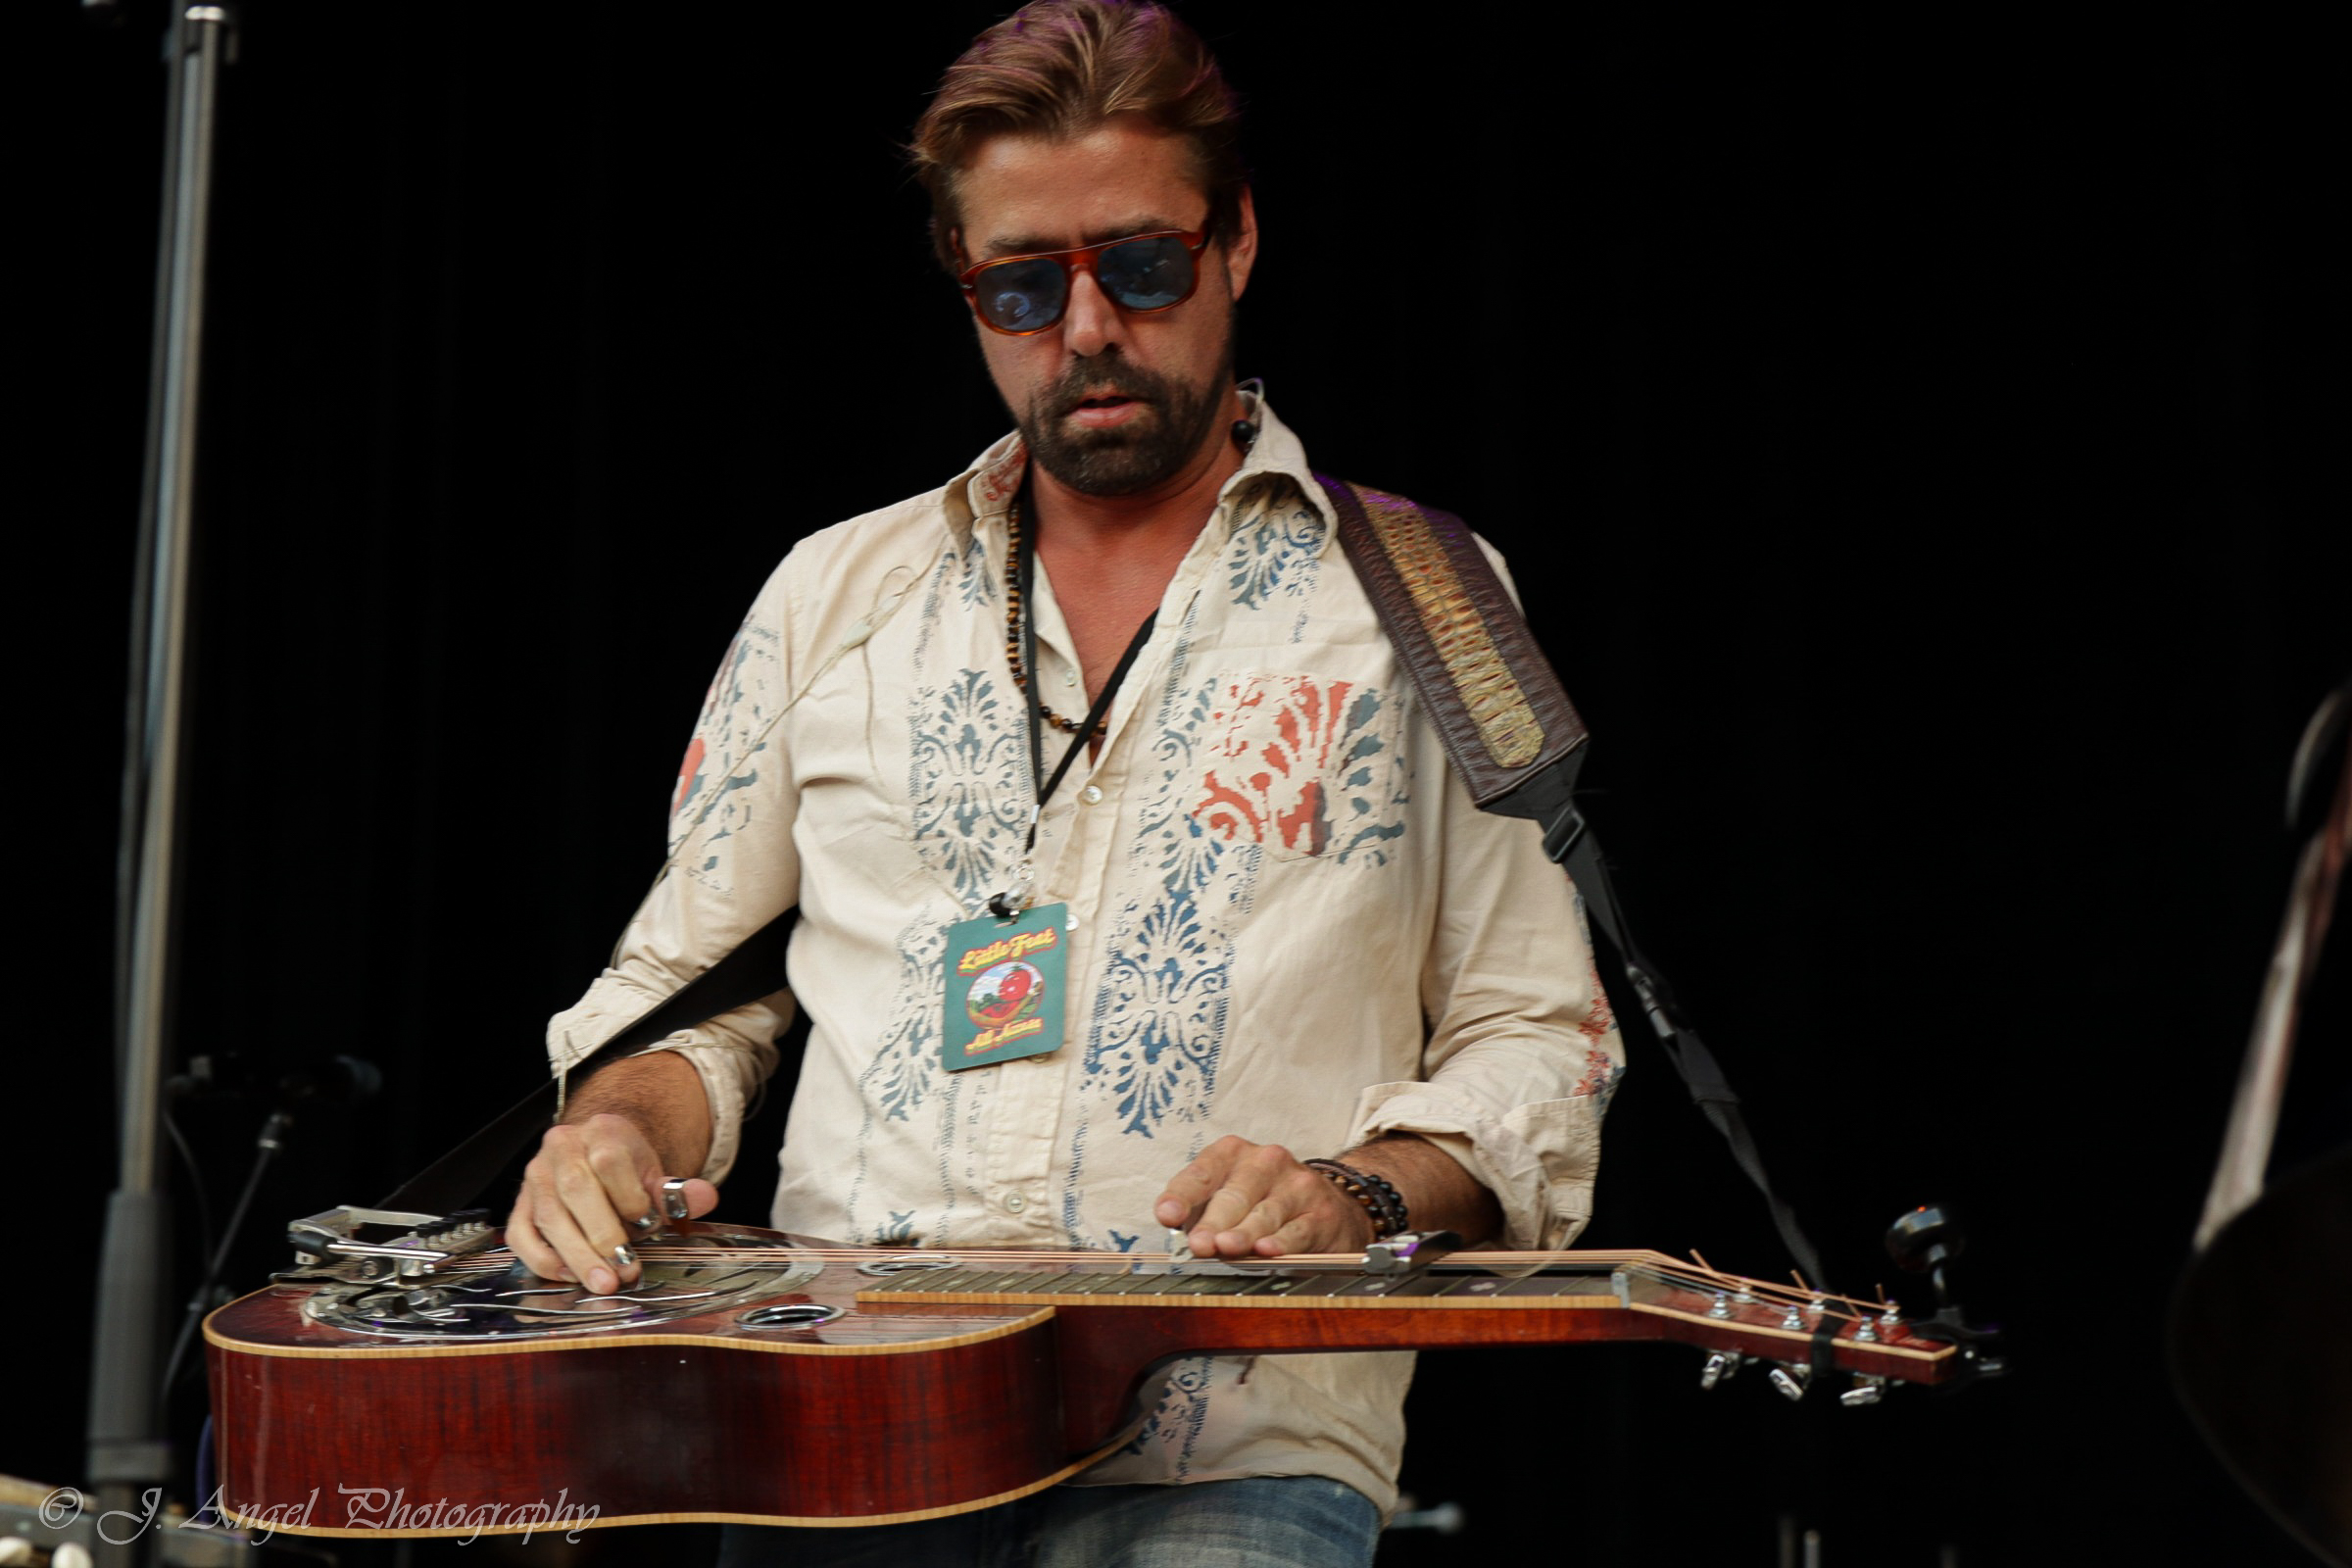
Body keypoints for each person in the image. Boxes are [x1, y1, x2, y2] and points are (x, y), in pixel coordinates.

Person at [504, 3, 1623, 1562]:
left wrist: (1357, 1194)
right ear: (965, 287)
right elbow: (687, 997)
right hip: (836, 1435)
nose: (1087, 327)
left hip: (1231, 1446)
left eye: (1141, 265)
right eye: (1024, 285)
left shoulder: (1430, 598)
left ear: (1237, 242)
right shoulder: (834, 597)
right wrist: (616, 1131)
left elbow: (1538, 1037)